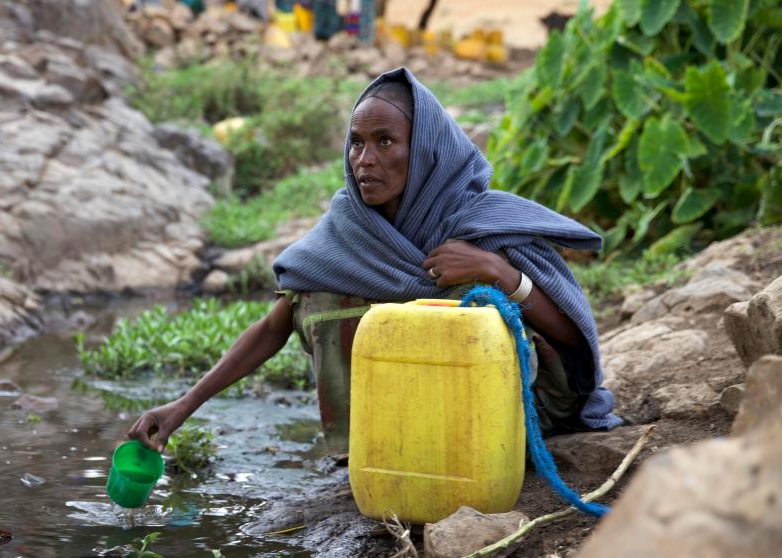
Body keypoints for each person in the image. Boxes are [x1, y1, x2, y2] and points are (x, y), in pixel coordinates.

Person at [128, 68, 622, 454]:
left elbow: (573, 336)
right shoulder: (350, 225)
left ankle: (481, 442)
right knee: (318, 298)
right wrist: (182, 407)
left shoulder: (478, 220)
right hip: (413, 423)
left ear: (424, 150)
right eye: (357, 142)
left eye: (385, 142)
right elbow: (274, 326)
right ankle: (370, 447)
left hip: (519, 412)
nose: (365, 160)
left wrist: (499, 273)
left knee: (479, 307)